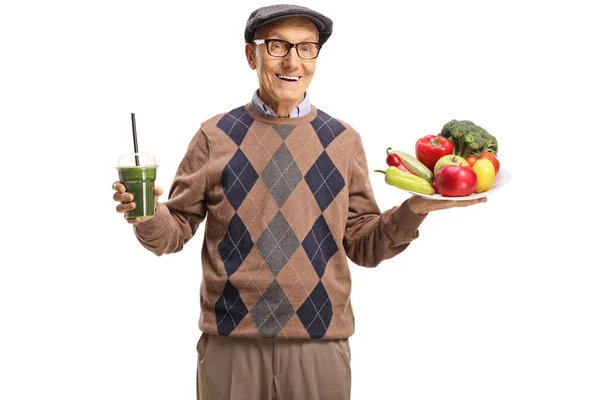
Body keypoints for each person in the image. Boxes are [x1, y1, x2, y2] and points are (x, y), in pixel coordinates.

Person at [112, 4, 486, 399]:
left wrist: (412, 212)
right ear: (250, 54)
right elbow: (172, 233)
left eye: (307, 48)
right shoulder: (214, 135)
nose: (293, 60)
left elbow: (363, 245)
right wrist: (147, 215)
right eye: (277, 46)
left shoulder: (343, 140)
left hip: (320, 342)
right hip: (231, 342)